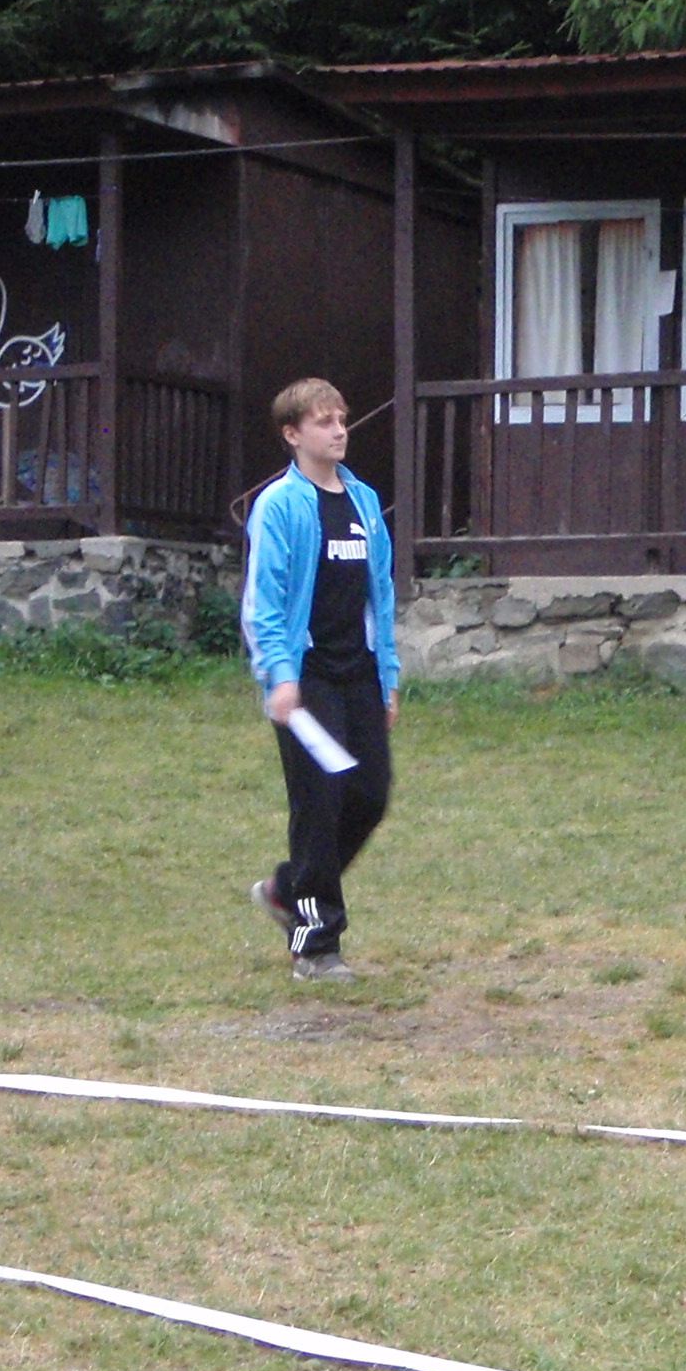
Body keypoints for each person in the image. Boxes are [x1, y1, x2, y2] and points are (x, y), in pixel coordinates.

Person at [241, 377, 399, 981]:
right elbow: (264, 601)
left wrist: (387, 676)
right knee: (319, 804)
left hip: (358, 672)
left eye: (341, 419)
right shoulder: (280, 505)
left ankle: (288, 890)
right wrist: (280, 676)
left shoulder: (363, 501)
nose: (339, 431)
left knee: (369, 796)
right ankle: (315, 945)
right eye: (324, 422)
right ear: (293, 434)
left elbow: (380, 594)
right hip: (306, 678)